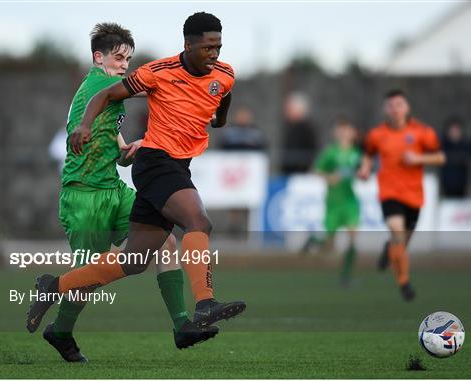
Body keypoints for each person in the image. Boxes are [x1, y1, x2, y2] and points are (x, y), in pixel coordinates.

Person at [26, 12, 246, 339]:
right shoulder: (157, 72)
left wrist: (220, 119)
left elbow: (223, 93)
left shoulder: (224, 73)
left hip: (174, 166)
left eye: (218, 47)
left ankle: (55, 286)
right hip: (156, 164)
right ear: (188, 45)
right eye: (207, 48)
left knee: (133, 261)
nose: (214, 54)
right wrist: (85, 125)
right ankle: (205, 303)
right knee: (199, 222)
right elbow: (106, 95)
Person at [357, 89, 445, 301]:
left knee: (401, 245)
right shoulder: (376, 134)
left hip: (414, 195)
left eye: (399, 104)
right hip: (389, 192)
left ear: (407, 108)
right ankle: (404, 283)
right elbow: (368, 155)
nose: (395, 109)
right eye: (391, 105)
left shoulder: (423, 132)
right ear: (385, 109)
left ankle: (390, 250)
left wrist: (417, 159)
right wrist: (365, 169)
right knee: (397, 233)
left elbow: (440, 157)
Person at [305, 116, 361, 287]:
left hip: (350, 201)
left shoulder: (356, 153)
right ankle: (314, 240)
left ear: (353, 133)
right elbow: (315, 171)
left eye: (348, 130)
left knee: (352, 238)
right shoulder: (331, 152)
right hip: (333, 203)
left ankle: (346, 277)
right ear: (336, 133)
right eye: (341, 130)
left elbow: (362, 171)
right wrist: (329, 176)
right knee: (329, 243)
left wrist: (363, 173)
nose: (345, 133)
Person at [281, 92, 318, 174]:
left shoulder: (307, 128)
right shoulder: (290, 126)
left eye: (290, 109)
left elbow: (311, 151)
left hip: (300, 173)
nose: (287, 112)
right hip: (289, 172)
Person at [440, 116, 470, 198]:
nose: (454, 132)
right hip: (446, 182)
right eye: (452, 130)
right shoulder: (443, 144)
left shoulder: (465, 144)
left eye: (456, 130)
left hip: (462, 182)